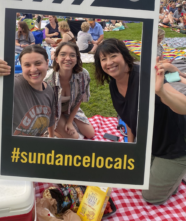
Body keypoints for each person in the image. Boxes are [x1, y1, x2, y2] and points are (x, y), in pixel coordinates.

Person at [94, 38, 186, 204]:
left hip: (175, 145)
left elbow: (184, 106)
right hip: (151, 143)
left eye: (113, 56)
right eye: (103, 59)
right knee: (136, 176)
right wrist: (131, 148)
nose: (109, 63)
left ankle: (177, 178)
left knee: (151, 196)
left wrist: (162, 93)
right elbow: (128, 117)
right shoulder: (113, 85)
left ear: (124, 55)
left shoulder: (146, 77)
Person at [45, 42, 95, 140]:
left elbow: (80, 99)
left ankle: (65, 122)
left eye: (72, 55)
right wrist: (50, 136)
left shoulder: (83, 75)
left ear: (77, 59)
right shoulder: (48, 80)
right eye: (63, 54)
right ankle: (52, 131)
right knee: (75, 137)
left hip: (70, 110)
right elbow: (47, 109)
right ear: (56, 59)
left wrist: (69, 121)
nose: (68, 58)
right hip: (52, 114)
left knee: (90, 134)